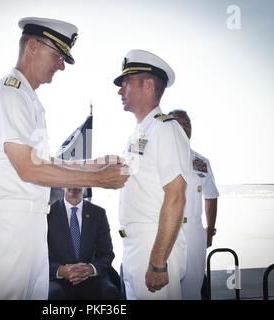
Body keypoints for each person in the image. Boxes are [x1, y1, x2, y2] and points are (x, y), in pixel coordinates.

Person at [0, 17, 128, 300]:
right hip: (8, 224)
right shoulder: (9, 94)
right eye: (57, 55)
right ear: (32, 46)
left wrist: (95, 163)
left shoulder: (29, 100)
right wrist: (99, 179)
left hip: (30, 224)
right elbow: (28, 168)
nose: (61, 65)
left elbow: (41, 163)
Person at [114, 49, 190, 299]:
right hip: (136, 245)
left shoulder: (166, 129)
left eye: (126, 83)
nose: (120, 90)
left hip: (153, 245)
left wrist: (158, 262)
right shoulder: (139, 133)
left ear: (147, 86)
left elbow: (176, 197)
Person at [168, 109, 219, 300]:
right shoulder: (155, 159)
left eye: (187, 124)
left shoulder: (201, 162)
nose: (184, 127)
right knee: (165, 290)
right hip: (164, 230)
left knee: (192, 290)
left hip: (194, 231)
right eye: (178, 123)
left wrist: (210, 230)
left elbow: (211, 196)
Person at [47, 187, 121, 300]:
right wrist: (61, 270)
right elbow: (40, 257)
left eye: (79, 181)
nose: (75, 185)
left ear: (86, 185)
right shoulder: (48, 214)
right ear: (62, 184)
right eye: (70, 179)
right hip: (59, 279)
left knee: (110, 292)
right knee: (53, 295)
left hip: (91, 277)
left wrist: (90, 268)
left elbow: (107, 254)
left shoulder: (98, 213)